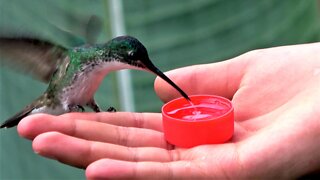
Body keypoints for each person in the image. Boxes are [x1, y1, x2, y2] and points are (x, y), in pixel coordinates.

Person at [17, 42, 320, 179]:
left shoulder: (99, 69)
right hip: (57, 100)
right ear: (122, 58)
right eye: (139, 63)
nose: (148, 70)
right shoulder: (80, 59)